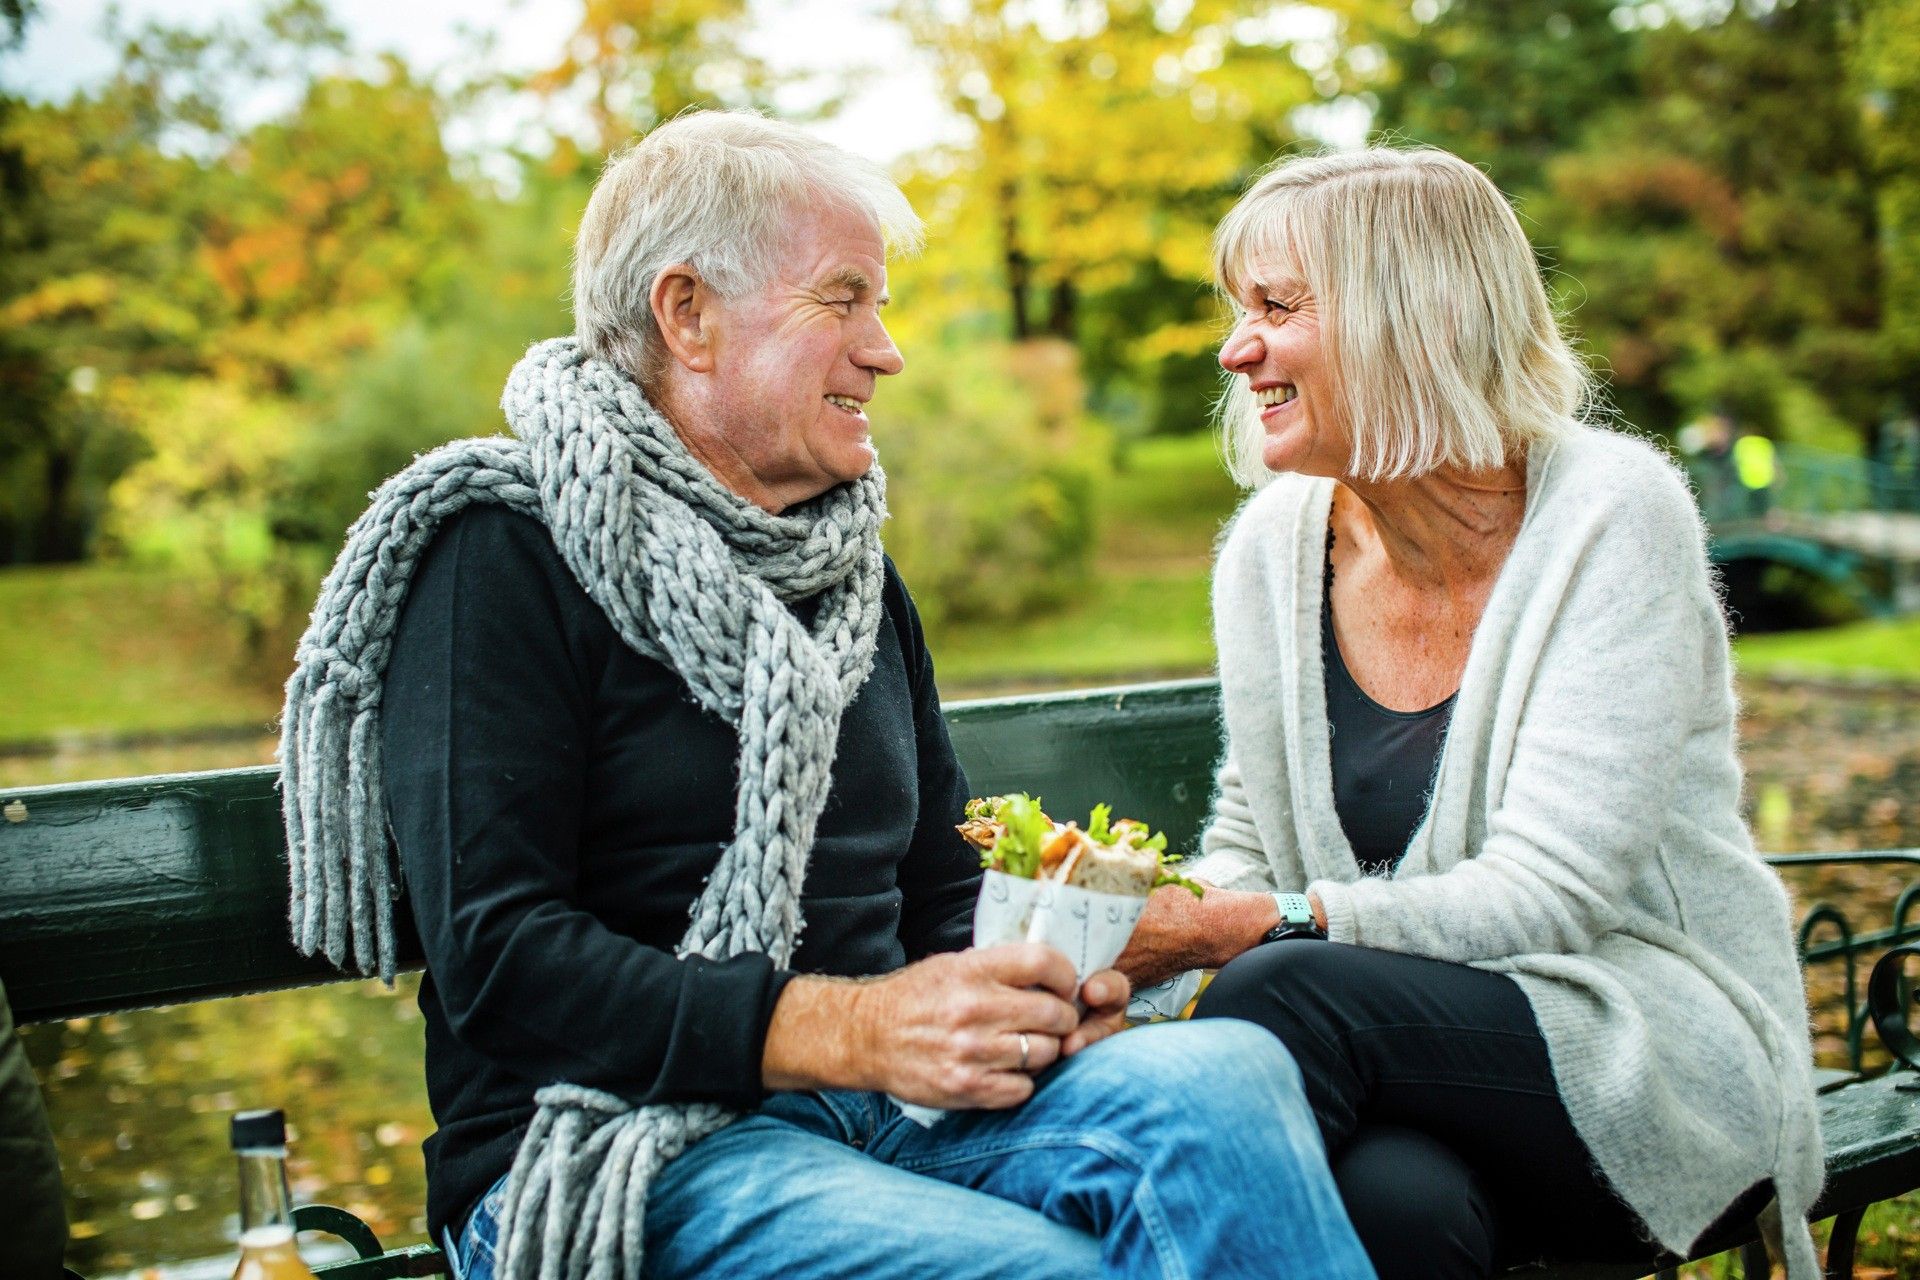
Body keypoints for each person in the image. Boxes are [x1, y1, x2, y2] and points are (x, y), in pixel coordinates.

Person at [276, 111, 1374, 1280]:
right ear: (685, 313)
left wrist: (1034, 991)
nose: (886, 348)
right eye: (843, 300)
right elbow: (502, 958)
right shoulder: (501, 551)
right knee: (1038, 1268)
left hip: (889, 1103)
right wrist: (852, 1029)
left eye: (881, 306)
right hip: (613, 1144)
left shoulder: (846, 575)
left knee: (1228, 1076)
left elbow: (939, 890)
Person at [1112, 147, 1825, 1280]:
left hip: (1646, 1045)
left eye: (1278, 307)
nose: (1234, 347)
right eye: (1237, 309)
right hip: (1395, 1062)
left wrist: (1234, 931)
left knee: (1280, 982)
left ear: (1419, 316)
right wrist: (1126, 934)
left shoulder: (1611, 515)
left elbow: (1549, 895)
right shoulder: (1270, 552)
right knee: (1394, 1209)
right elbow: (1248, 846)